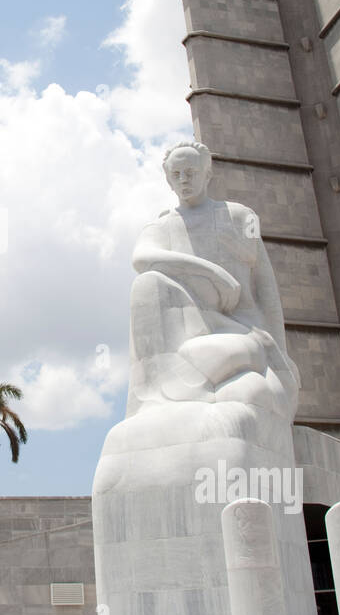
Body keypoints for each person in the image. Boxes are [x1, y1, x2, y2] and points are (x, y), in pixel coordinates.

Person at [126, 141, 299, 417]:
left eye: (191, 172)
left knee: (221, 358)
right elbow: (141, 258)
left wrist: (282, 356)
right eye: (177, 174)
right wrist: (210, 271)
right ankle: (153, 398)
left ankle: (191, 395)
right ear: (168, 179)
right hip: (188, 329)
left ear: (207, 173)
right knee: (147, 283)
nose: (184, 180)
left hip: (242, 327)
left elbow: (266, 289)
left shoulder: (239, 215)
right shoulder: (163, 225)